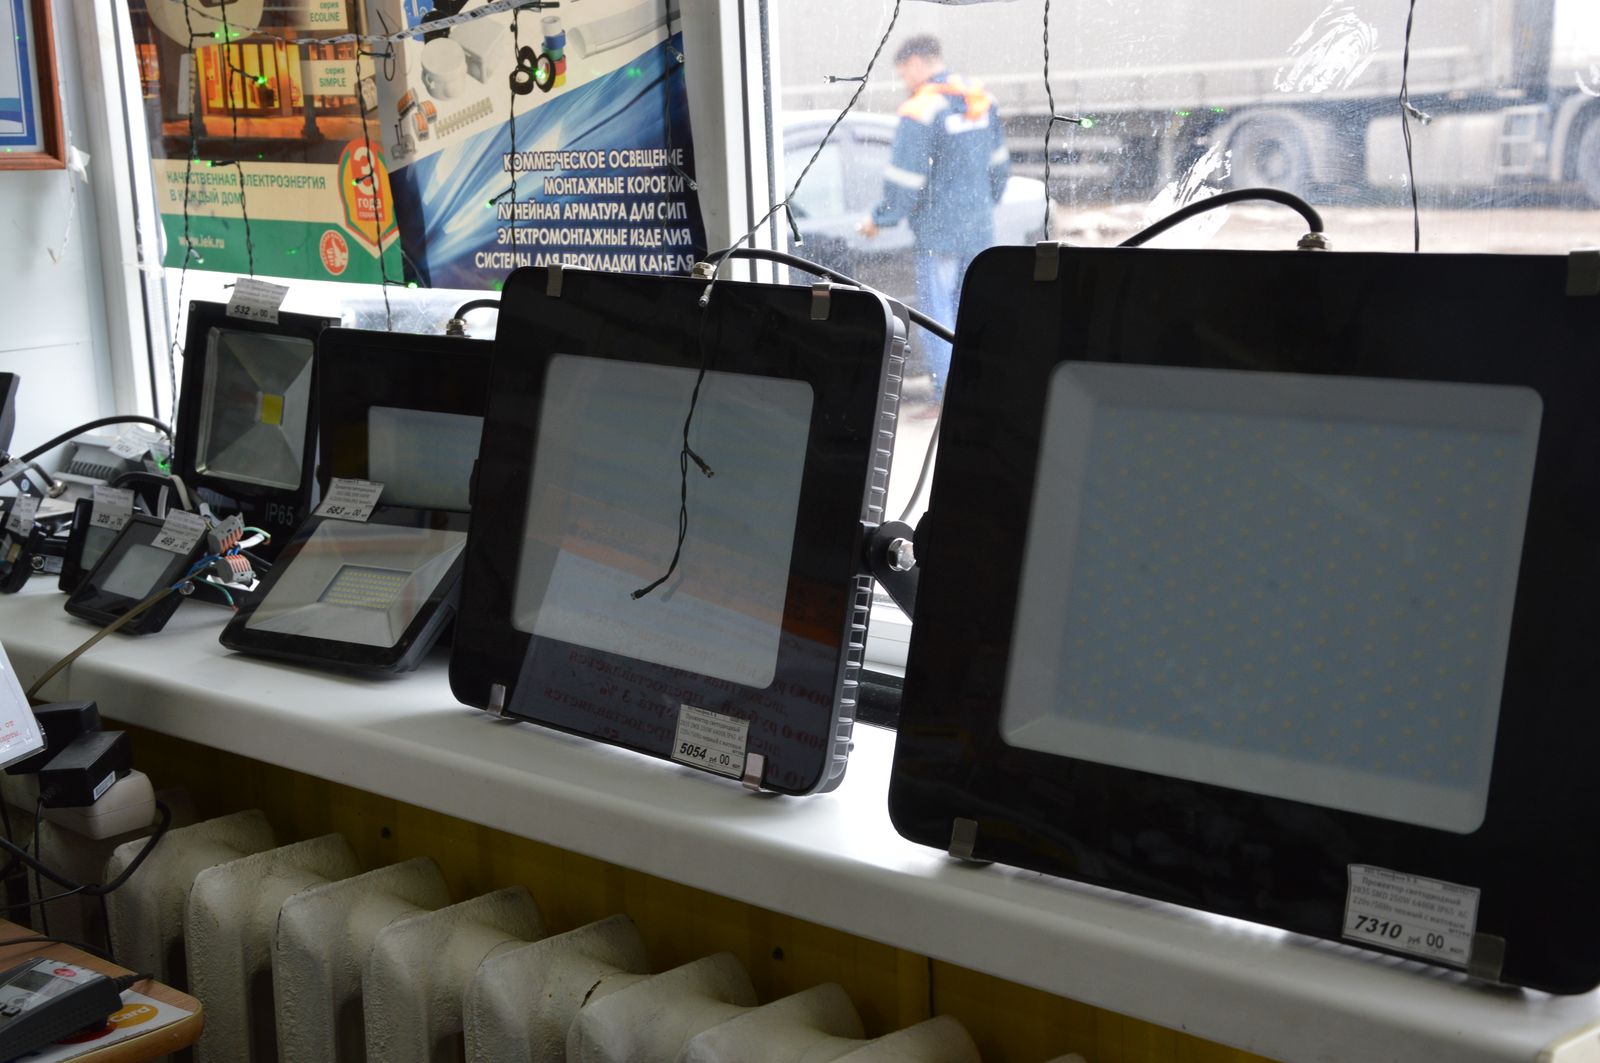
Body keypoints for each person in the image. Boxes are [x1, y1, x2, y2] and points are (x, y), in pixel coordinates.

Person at [859, 35, 1010, 406]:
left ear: (915, 63)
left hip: (938, 234)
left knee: (938, 318)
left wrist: (880, 218)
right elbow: (999, 168)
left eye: (903, 73)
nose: (905, 82)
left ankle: (948, 397)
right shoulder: (979, 99)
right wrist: (980, 208)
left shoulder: (922, 109)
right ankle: (978, 391)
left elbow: (905, 179)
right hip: (978, 232)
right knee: (972, 312)